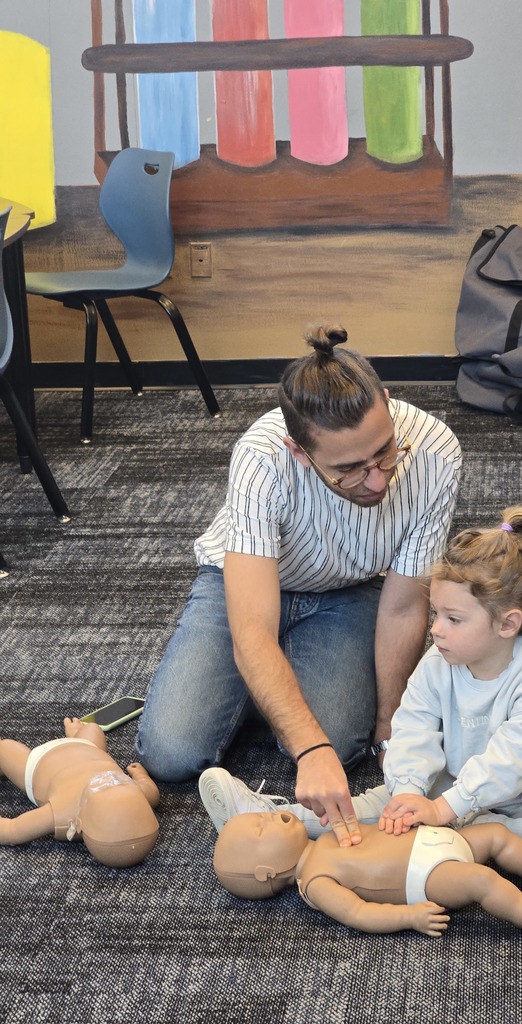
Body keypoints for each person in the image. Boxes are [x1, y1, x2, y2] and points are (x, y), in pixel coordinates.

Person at [136, 324, 462, 848]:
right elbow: (251, 628)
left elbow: (403, 608)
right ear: (299, 451)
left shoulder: (436, 451)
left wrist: (390, 730)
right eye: (349, 470)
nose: (378, 480)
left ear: (385, 401)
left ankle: (264, 688)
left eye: (384, 453)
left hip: (351, 591)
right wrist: (307, 749)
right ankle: (265, 683)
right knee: (170, 754)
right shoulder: (261, 458)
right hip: (242, 590)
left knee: (344, 743)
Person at [199, 505, 522, 865]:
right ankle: (264, 817)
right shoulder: (439, 661)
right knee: (383, 802)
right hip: (457, 778)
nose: (436, 629)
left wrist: (445, 809)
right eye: (437, 613)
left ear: (507, 623)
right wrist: (409, 791)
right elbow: (412, 727)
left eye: (454, 619)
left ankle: (456, 831)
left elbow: (511, 764)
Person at [211, 811, 522, 936]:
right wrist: (408, 916)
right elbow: (359, 914)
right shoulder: (316, 884)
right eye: (262, 827)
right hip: (425, 874)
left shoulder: (322, 837)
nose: (273, 816)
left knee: (497, 835)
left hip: (437, 839)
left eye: (263, 814)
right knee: (480, 880)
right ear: (265, 873)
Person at [0, 718, 160, 867]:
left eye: (104, 787)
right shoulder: (138, 795)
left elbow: (16, 829)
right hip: (87, 746)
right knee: (93, 727)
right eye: (120, 783)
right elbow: (152, 792)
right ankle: (76, 732)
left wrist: (6, 829)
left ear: (81, 823)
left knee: (6, 748)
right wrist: (140, 775)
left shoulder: (64, 812)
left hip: (38, 761)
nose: (110, 778)